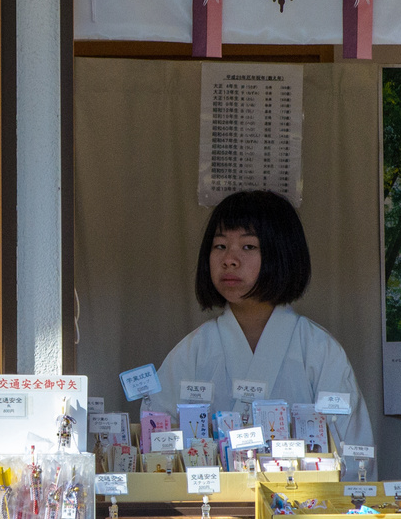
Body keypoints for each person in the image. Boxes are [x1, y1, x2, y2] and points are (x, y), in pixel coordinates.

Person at [142, 190, 374, 454]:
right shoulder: (193, 351)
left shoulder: (319, 351)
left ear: (282, 254)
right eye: (220, 246)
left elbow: (354, 452)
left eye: (248, 246)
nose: (229, 259)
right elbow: (157, 434)